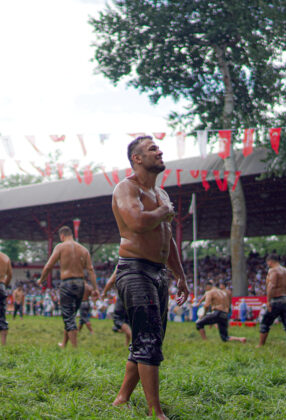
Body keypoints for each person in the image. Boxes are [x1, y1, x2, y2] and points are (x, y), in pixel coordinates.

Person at [109, 136, 189, 418]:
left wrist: (180, 274)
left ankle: (121, 399)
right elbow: (137, 223)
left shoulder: (163, 194)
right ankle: (156, 412)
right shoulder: (126, 188)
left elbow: (167, 238)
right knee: (149, 339)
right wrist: (163, 212)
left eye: (158, 147)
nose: (160, 151)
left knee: (149, 337)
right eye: (152, 149)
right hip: (134, 268)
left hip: (158, 272)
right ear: (137, 159)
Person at [38, 225, 100, 349]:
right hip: (80, 284)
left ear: (62, 235)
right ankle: (64, 344)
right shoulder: (83, 249)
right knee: (71, 315)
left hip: (67, 283)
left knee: (68, 317)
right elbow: (91, 270)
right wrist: (96, 289)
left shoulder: (60, 247)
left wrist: (41, 279)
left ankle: (74, 349)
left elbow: (49, 265)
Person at [257, 253, 286, 350]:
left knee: (265, 322)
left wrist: (268, 301)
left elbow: (272, 286)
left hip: (276, 299)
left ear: (270, 261)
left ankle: (261, 344)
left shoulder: (273, 270)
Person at [103, 269, 132, 347]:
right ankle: (127, 345)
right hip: (137, 297)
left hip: (123, 295)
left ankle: (135, 343)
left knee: (118, 319)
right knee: (128, 321)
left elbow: (111, 281)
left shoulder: (123, 262)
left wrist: (104, 293)